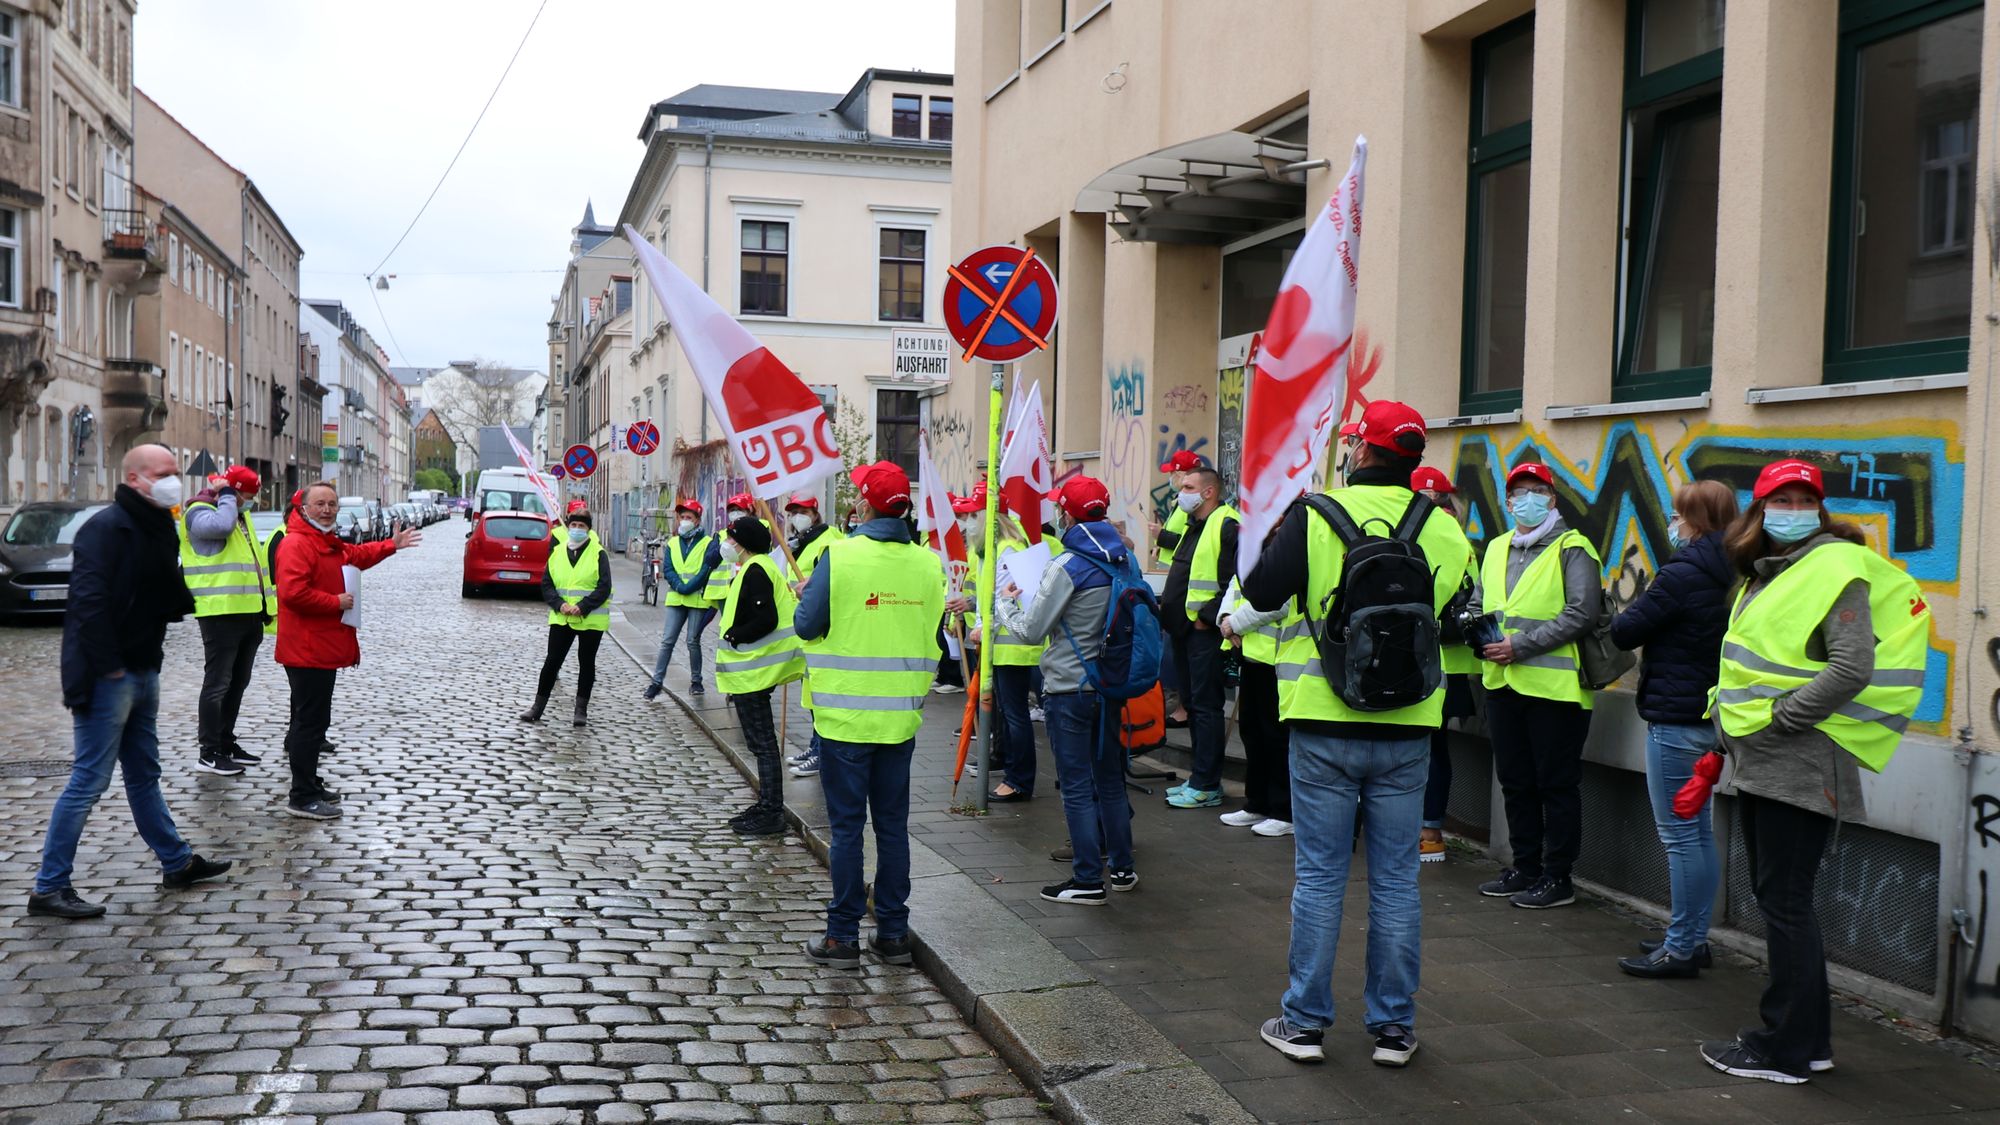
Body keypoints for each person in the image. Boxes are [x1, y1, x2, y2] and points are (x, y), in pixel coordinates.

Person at [1241, 400, 1471, 1068]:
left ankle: (1304, 1023)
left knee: (1320, 877)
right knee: (1397, 880)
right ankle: (1394, 1030)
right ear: (1414, 458)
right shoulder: (1442, 526)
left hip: (1322, 719)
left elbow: (1259, 593)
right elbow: (1459, 611)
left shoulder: (1315, 514)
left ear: (1360, 450)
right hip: (1408, 726)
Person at [1699, 460, 1927, 1084]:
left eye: (1806, 500)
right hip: (1765, 762)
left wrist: (1781, 720)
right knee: (1781, 899)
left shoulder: (1832, 568)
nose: (1794, 510)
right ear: (1760, 509)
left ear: (1820, 511)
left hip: (1798, 762)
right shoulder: (1771, 573)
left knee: (1786, 905)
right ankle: (1810, 1043)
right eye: (1783, 499)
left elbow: (1852, 667)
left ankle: (1785, 1050)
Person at [30, 444, 233, 919]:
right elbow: (87, 605)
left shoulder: (157, 524)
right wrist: (111, 668)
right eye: (163, 473)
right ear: (136, 479)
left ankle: (177, 862)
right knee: (89, 781)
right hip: (108, 676)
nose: (173, 480)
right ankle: (49, 887)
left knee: (144, 775)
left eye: (175, 471)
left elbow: (155, 593)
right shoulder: (105, 528)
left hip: (142, 669)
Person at [795, 461, 943, 969]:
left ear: (864, 505)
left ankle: (842, 938)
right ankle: (894, 934)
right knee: (893, 828)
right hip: (900, 720)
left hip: (844, 720)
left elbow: (807, 626)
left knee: (847, 830)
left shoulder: (839, 556)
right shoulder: (928, 564)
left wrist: (807, 597)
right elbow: (930, 634)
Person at [1607, 480, 1738, 978]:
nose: (1673, 523)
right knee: (1699, 834)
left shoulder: (1682, 572)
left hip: (1676, 719)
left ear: (1696, 520)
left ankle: (1680, 948)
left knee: (1681, 838)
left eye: (1679, 514)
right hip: (1712, 717)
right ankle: (1694, 938)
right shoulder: (1739, 569)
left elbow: (1626, 630)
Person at [995, 476, 1138, 904]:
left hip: (1068, 688)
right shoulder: (1124, 559)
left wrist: (1005, 602)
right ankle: (1123, 869)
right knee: (1110, 781)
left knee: (1076, 786)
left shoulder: (1068, 565)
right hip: (1109, 685)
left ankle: (1088, 880)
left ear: (1067, 515)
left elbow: (1031, 630)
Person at [1475, 461, 1602, 910]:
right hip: (1502, 683)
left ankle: (1558, 877)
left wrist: (1521, 646)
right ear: (1508, 502)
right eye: (1518, 492)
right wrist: (1479, 634)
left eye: (1537, 491)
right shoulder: (1496, 547)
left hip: (1555, 691)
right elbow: (1480, 602)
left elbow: (1582, 612)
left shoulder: (1573, 547)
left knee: (1556, 786)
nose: (1526, 499)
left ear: (1552, 499)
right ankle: (1525, 868)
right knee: (1515, 782)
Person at [275, 481, 420, 820]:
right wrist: (334, 602)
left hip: (321, 647)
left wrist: (391, 545)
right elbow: (292, 593)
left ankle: (310, 783)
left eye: (332, 504)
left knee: (316, 721)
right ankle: (302, 796)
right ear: (303, 509)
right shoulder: (297, 543)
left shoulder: (325, 540)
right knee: (308, 724)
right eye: (320, 504)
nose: (327, 510)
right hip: (307, 649)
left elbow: (355, 556)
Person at [178, 464, 275, 777]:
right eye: (247, 495)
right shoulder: (199, 512)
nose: (250, 502)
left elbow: (253, 564)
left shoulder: (238, 514)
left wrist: (265, 606)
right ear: (231, 491)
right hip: (219, 612)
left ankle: (225, 742)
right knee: (217, 683)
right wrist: (228, 495)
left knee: (237, 682)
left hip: (248, 611)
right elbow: (220, 527)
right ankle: (208, 752)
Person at [716, 515, 806, 836]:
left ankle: (771, 811)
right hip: (750, 672)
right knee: (760, 744)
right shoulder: (756, 567)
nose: (727, 543)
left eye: (731, 538)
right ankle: (767, 804)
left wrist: (734, 636)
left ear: (743, 543)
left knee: (763, 744)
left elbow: (765, 618)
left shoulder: (756, 569)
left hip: (753, 671)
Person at [958, 488, 1045, 802]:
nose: (968, 522)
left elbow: (1004, 595)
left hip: (1012, 646)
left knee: (1014, 714)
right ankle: (1013, 774)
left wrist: (984, 627)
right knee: (1009, 713)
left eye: (973, 515)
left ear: (989, 518)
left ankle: (1018, 780)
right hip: (1004, 644)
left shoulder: (1007, 550)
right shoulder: (994, 549)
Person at [1411, 467, 1477, 863]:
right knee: (1426, 747)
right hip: (1439, 662)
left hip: (1437, 663)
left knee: (1428, 749)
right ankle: (1425, 829)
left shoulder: (1439, 533)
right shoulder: (1448, 532)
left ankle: (1429, 832)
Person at [1164, 465, 1237, 809]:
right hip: (1184, 632)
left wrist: (1206, 619)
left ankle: (1207, 784)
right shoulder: (1194, 524)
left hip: (1204, 635)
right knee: (1194, 706)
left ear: (1209, 492)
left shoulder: (1226, 523)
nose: (1182, 493)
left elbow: (1235, 581)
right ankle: (1197, 778)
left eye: (1189, 487)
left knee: (1206, 708)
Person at [520, 502, 612, 727]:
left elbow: (604, 586)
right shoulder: (558, 552)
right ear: (568, 526)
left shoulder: (598, 553)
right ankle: (537, 707)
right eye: (574, 525)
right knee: (552, 661)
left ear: (589, 529)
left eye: (582, 526)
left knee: (586, 664)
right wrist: (559, 605)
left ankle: (581, 710)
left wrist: (583, 606)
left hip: (590, 619)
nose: (577, 529)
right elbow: (547, 584)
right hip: (561, 617)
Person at [1218, 576, 1292, 837]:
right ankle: (1258, 804)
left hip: (1278, 658)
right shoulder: (1252, 551)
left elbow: (1281, 600)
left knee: (1277, 737)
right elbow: (1235, 584)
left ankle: (1284, 811)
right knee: (1252, 733)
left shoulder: (1284, 551)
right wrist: (1226, 618)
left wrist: (1235, 623)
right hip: (1251, 653)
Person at [645, 498, 719, 701]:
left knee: (692, 641)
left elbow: (705, 570)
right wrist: (679, 586)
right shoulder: (673, 543)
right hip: (677, 598)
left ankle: (696, 681)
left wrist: (688, 587)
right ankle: (656, 682)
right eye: (682, 517)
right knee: (667, 641)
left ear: (697, 520)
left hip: (696, 600)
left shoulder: (707, 543)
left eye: (689, 517)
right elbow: (668, 569)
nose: (684, 520)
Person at [1153, 450, 1202, 727]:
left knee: (1178, 650)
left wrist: (1161, 536)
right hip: (1174, 578)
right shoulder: (1181, 503)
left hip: (1186, 588)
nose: (1171, 478)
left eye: (1174, 472)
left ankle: (1184, 706)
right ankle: (1182, 703)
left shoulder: (1191, 506)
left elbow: (1187, 542)